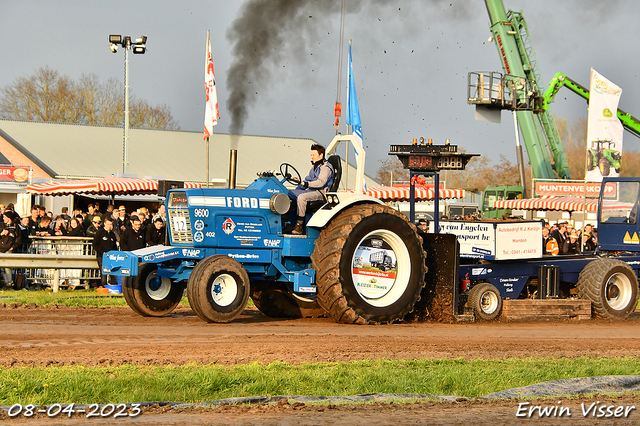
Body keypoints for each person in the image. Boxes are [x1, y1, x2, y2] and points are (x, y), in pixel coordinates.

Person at [287, 143, 334, 235]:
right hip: (310, 191)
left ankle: (299, 226)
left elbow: (321, 183)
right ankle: (287, 221)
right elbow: (307, 180)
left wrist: (305, 184)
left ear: (321, 155)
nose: (312, 157)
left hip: (320, 193)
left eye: (314, 155)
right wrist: (299, 183)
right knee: (287, 193)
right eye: (311, 155)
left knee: (301, 197)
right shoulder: (315, 167)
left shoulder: (326, 168)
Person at [92, 217, 117, 288]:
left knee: (112, 272)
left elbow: (114, 246)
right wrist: (102, 252)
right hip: (101, 256)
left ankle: (114, 287)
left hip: (111, 257)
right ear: (105, 224)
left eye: (110, 224)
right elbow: (95, 244)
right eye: (108, 224)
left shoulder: (112, 234)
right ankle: (104, 287)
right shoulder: (100, 232)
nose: (109, 226)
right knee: (104, 272)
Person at [0, 212, 21, 287]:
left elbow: (18, 239)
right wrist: (1, 233)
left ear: (9, 218)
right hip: (0, 249)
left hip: (9, 249)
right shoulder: (1, 225)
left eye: (5, 217)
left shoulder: (15, 226)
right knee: (2, 268)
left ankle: (9, 283)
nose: (3, 219)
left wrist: (13, 247)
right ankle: (5, 282)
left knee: (7, 267)